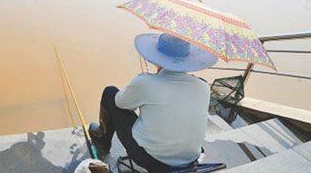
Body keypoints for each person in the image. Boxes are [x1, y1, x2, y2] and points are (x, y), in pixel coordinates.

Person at [89, 33, 218, 172]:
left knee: (110, 93)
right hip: (191, 159)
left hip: (151, 160)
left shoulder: (145, 82)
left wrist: (141, 84)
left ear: (158, 57)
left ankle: (102, 141)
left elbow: (120, 102)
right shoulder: (203, 86)